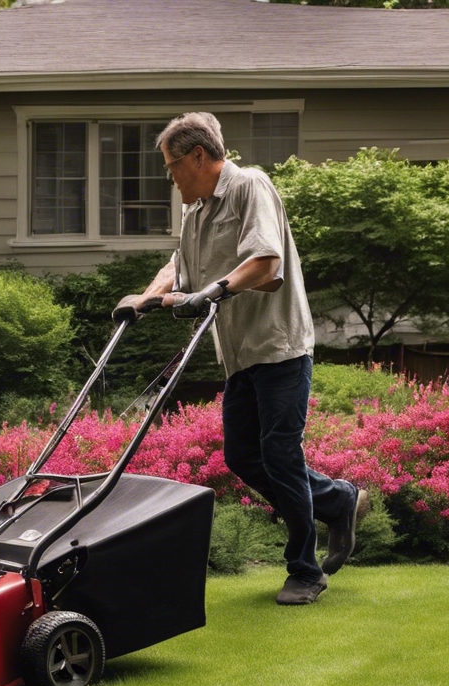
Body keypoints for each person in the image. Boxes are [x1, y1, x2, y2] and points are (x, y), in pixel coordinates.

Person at [115, 112, 368, 606]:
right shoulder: (196, 210)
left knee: (279, 454)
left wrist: (206, 294)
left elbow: (266, 262)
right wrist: (144, 298)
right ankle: (338, 502)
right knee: (242, 456)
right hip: (239, 355)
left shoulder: (251, 186)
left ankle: (304, 569)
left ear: (198, 156)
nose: (169, 178)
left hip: (278, 345)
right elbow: (178, 265)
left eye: (171, 167)